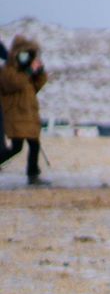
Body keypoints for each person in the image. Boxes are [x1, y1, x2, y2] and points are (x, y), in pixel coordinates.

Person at [0, 35, 48, 184]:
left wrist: (39, 72)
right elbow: (12, 84)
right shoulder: (8, 70)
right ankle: (32, 174)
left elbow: (36, 87)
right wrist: (27, 72)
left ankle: (33, 174)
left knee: (34, 144)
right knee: (17, 147)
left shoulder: (25, 73)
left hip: (28, 115)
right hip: (15, 115)